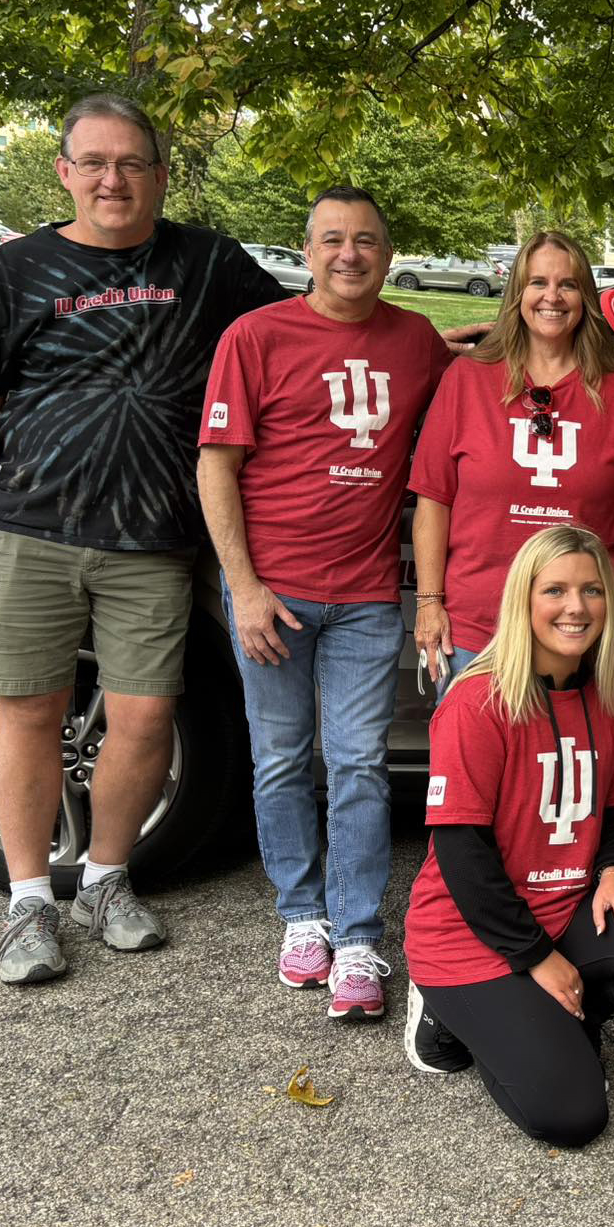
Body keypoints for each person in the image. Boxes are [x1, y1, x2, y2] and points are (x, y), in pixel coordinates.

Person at [0, 93, 285, 985]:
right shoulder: (13, 274)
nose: (112, 178)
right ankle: (27, 901)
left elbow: (311, 334)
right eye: (93, 162)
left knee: (142, 716)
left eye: (132, 162)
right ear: (64, 173)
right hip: (33, 528)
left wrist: (439, 348)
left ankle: (102, 879)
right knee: (27, 709)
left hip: (155, 539)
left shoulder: (208, 263)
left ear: (161, 175)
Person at [198, 186, 452, 1019]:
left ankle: (356, 936)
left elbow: (468, 392)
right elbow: (217, 466)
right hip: (275, 595)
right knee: (279, 761)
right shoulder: (257, 336)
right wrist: (244, 588)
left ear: (389, 252)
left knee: (358, 765)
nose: (351, 254)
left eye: (367, 241)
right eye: (333, 240)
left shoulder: (415, 339)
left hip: (368, 596)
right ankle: (300, 916)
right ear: (306, 252)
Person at [402, 525, 614, 1146]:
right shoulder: (476, 702)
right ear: (524, 599)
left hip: (563, 911)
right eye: (557, 591)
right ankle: (447, 1016)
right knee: (573, 1117)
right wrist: (537, 958)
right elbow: (463, 856)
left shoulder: (605, 697)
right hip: (470, 936)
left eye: (593, 590)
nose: (577, 607)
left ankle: (552, 1021)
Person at [410, 231, 614, 686]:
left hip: (584, 626)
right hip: (478, 624)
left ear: (585, 297)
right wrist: (429, 603)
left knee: (576, 756)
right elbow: (434, 500)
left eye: (568, 284)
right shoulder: (467, 380)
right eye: (538, 283)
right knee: (474, 756)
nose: (553, 296)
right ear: (517, 294)